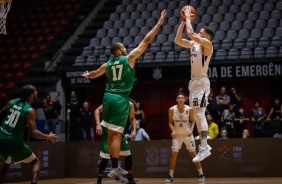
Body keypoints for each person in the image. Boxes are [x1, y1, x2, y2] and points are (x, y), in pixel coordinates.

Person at [82, 9, 166, 181]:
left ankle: (114, 167)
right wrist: (158, 24)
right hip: (120, 99)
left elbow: (95, 74)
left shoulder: (107, 64)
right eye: (123, 47)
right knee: (117, 135)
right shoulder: (129, 58)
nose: (126, 48)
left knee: (112, 135)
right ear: (119, 51)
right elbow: (146, 40)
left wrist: (88, 75)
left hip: (107, 97)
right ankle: (114, 169)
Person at [175, 6, 215, 162]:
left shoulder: (207, 45)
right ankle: (205, 145)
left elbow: (191, 33)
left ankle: (204, 146)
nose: (198, 32)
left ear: (206, 35)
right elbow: (178, 40)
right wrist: (183, 22)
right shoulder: (194, 44)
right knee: (197, 117)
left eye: (201, 32)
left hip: (201, 82)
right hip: (193, 82)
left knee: (199, 114)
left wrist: (189, 19)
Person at [0, 85, 57, 184]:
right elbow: (33, 133)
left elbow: (1, 113)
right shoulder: (30, 110)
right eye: (35, 92)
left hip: (1, 137)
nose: (37, 93)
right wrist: (49, 136)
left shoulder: (11, 102)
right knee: (36, 162)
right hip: (13, 140)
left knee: (7, 161)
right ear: (30, 95)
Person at [165, 92, 206, 183]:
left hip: (188, 135)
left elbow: (193, 121)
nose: (180, 99)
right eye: (179, 98)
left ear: (184, 99)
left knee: (194, 155)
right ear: (176, 100)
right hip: (177, 135)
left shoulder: (189, 109)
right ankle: (170, 176)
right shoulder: (172, 109)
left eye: (182, 98)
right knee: (173, 155)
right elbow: (170, 123)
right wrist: (173, 130)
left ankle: (201, 174)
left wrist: (191, 130)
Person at [94, 101, 137, 184]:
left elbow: (132, 118)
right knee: (105, 158)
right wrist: (98, 124)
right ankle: (99, 181)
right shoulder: (111, 101)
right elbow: (97, 110)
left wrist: (134, 130)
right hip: (108, 132)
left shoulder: (129, 104)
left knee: (128, 155)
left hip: (119, 132)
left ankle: (130, 180)